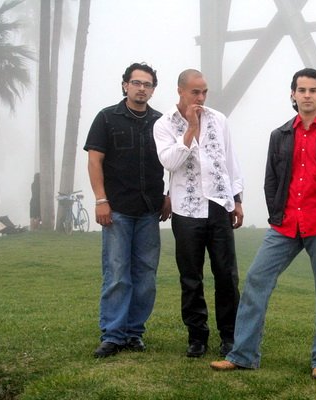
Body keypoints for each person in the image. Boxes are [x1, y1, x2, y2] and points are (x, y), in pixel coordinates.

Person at [210, 68, 316, 379]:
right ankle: (243, 355)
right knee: (256, 280)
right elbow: (271, 180)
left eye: (313, 90)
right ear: (293, 94)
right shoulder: (279, 135)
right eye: (301, 90)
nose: (307, 95)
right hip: (285, 225)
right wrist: (277, 211)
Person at [153, 69, 244, 358]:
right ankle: (197, 337)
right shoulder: (164, 124)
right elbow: (169, 162)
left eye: (204, 91)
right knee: (191, 277)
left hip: (219, 204)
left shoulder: (219, 120)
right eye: (195, 92)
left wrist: (237, 199)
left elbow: (230, 162)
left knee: (226, 275)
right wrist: (191, 128)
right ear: (180, 90)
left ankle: (230, 336)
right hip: (186, 209)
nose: (201, 97)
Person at [84, 62, 167, 358]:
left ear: (153, 90)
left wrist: (168, 195)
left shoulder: (161, 122)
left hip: (149, 210)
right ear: (125, 85)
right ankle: (113, 335)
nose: (141, 88)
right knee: (117, 273)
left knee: (146, 275)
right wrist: (101, 200)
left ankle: (134, 333)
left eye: (147, 84)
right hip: (117, 209)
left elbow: (175, 159)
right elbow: (95, 161)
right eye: (136, 83)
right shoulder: (107, 118)